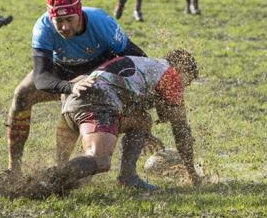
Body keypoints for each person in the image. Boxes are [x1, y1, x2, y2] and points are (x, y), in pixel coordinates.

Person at [5, 0, 146, 176]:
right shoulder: (43, 27)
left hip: (97, 71)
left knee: (78, 108)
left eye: (70, 19)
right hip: (61, 69)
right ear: (50, 18)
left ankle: (70, 168)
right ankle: (13, 169)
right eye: (59, 21)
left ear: (79, 13)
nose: (64, 27)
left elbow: (137, 57)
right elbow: (41, 77)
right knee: (22, 94)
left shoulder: (101, 22)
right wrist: (69, 87)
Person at [29, 50, 201, 197]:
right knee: (100, 160)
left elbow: (131, 106)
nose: (184, 87)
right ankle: (45, 181)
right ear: (182, 69)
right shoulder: (170, 74)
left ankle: (128, 177)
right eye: (188, 81)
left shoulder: (147, 67)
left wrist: (146, 133)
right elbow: (181, 130)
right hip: (95, 102)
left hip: (73, 102)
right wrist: (192, 174)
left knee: (142, 120)